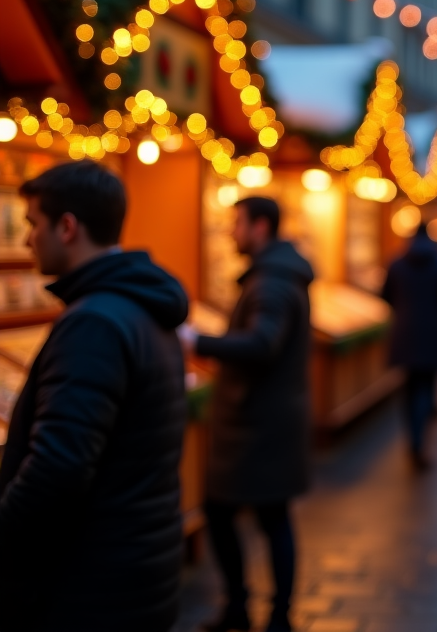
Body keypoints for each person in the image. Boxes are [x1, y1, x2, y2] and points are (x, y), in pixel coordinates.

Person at [0, 162, 188, 631]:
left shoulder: (95, 323)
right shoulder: (140, 307)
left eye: (32, 224)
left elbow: (58, 468)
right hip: (137, 568)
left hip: (91, 586)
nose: (27, 240)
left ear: (67, 227)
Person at [181, 196, 314, 632]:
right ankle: (260, 611)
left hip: (258, 423)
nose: (230, 232)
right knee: (258, 516)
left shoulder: (272, 281)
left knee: (248, 516)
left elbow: (262, 344)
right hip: (266, 419)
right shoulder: (278, 274)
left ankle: (265, 613)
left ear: (260, 227)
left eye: (236, 224)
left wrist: (198, 342)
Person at [381, 221, 437, 470]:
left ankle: (412, 440)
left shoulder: (397, 263)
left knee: (408, 388)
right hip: (433, 333)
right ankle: (420, 440)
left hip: (404, 334)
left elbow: (385, 295)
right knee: (427, 386)